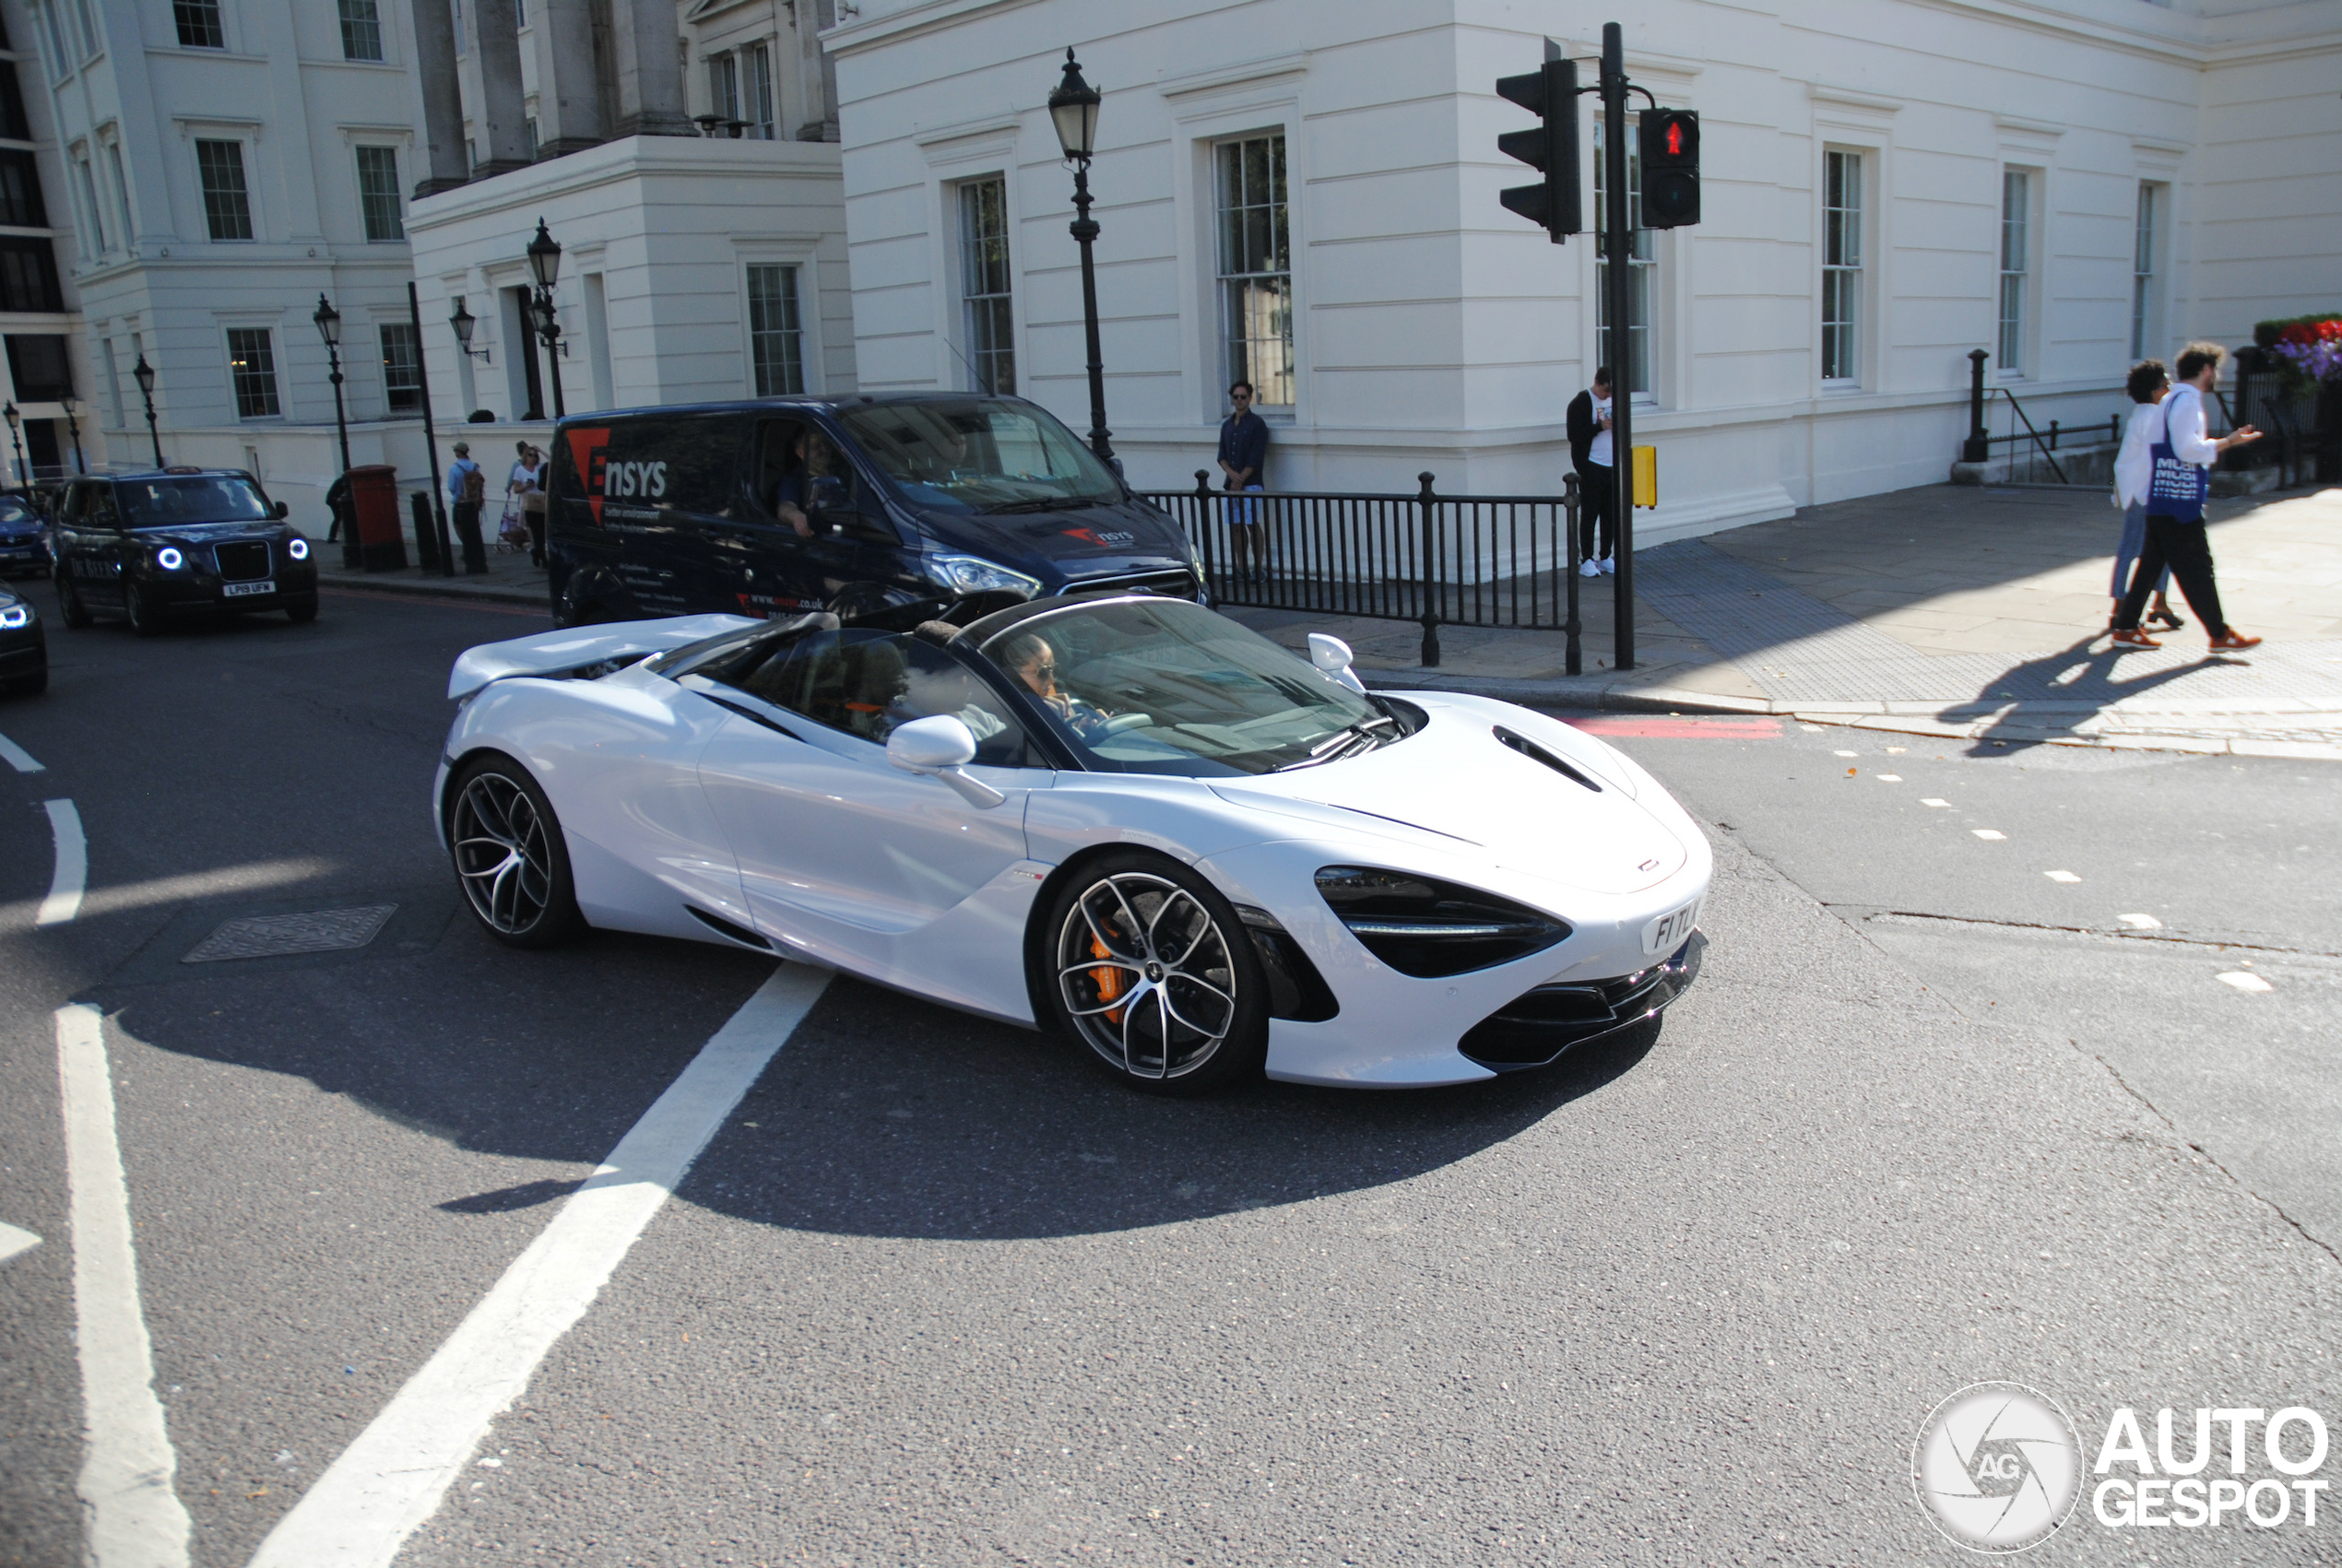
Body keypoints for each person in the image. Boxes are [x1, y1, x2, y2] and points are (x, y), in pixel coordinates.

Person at [2111, 341, 2263, 651]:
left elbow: (2162, 446)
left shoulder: (2169, 400)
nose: (2217, 374)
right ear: (2206, 369)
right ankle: (2219, 634)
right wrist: (2228, 442)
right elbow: (2186, 449)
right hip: (2179, 501)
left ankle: (2125, 627)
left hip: (2161, 496)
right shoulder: (2187, 401)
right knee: (2198, 566)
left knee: (2151, 563)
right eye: (2215, 369)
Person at [2109, 361, 2180, 633]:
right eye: (2165, 385)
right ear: (2153, 391)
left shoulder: (2146, 413)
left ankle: (2159, 602)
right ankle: (2119, 605)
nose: (2169, 388)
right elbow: (2161, 454)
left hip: (2148, 490)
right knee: (2133, 547)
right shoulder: (2151, 416)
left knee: (2160, 548)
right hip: (2144, 492)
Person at [1000, 631, 1111, 737]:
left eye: (1054, 669)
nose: (1051, 680)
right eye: (1042, 672)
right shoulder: (1000, 714)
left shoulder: (1059, 696)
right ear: (1013, 675)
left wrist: (1083, 728)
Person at [1565, 369, 1616, 577]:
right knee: (1590, 514)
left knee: (1609, 514)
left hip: (1612, 465)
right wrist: (1599, 427)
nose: (1607, 396)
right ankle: (1586, 558)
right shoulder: (1580, 403)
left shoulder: (1615, 400)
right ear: (1597, 382)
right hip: (1591, 465)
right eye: (1605, 391)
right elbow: (1574, 434)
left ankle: (1605, 556)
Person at [1216, 382, 1269, 584]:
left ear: (1250, 398)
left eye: (1243, 397)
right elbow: (1222, 455)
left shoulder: (1256, 424)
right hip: (1231, 483)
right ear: (1231, 398)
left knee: (1252, 524)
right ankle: (1241, 567)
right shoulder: (1227, 425)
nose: (1239, 400)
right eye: (1236, 397)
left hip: (1252, 483)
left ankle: (1258, 567)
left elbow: (1256, 457)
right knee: (1235, 526)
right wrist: (1232, 475)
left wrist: (1241, 478)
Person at [773, 427, 839, 539]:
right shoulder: (794, 479)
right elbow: (785, 507)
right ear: (800, 452)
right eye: (816, 446)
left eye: (826, 443)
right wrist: (797, 517)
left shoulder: (841, 473)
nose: (824, 449)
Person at [445, 441, 487, 574]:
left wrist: (458, 493)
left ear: (458, 452)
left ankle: (468, 549)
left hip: (460, 502)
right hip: (474, 501)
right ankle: (474, 549)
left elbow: (451, 487)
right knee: (473, 527)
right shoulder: (475, 467)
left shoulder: (455, 468)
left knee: (458, 526)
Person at [499, 441, 538, 557]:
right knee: (528, 522)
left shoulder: (521, 465)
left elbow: (511, 478)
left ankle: (532, 542)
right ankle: (532, 542)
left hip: (532, 499)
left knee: (529, 523)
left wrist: (508, 487)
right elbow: (514, 479)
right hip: (526, 498)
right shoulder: (520, 467)